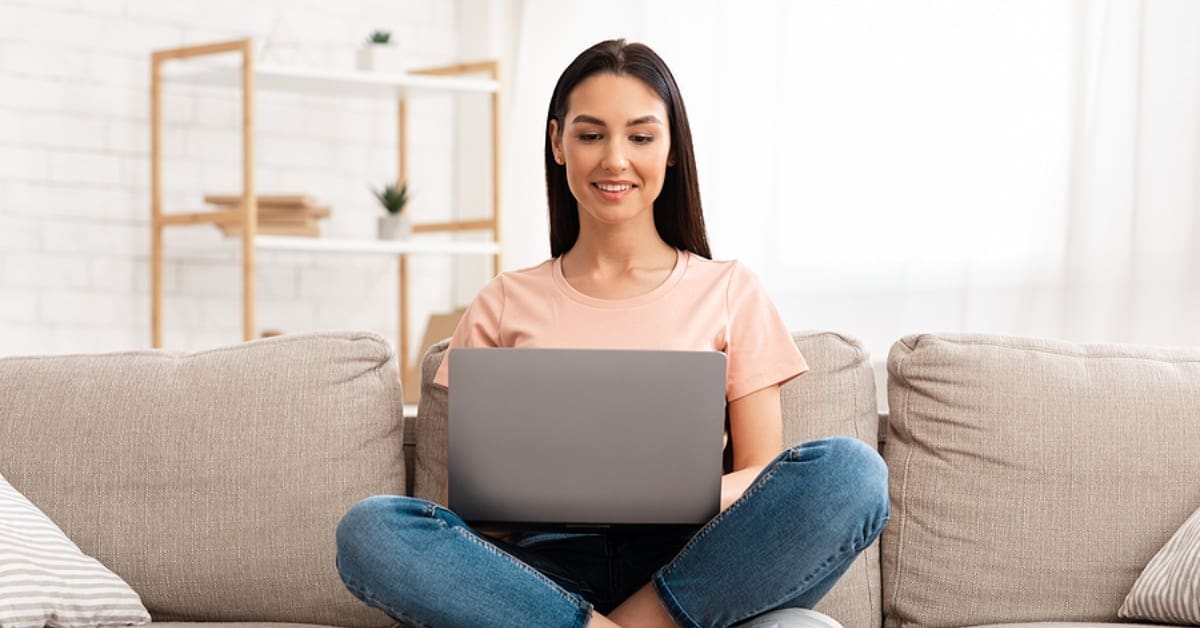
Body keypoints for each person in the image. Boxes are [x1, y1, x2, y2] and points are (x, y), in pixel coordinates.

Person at [334, 39, 889, 628]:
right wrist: (527, 499)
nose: (615, 160)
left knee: (849, 473)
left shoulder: (729, 288)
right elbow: (475, 520)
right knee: (371, 529)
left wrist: (668, 495)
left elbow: (760, 472)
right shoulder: (502, 301)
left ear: (672, 149)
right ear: (557, 143)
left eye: (641, 137)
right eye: (591, 135)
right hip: (541, 572)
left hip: (691, 564)